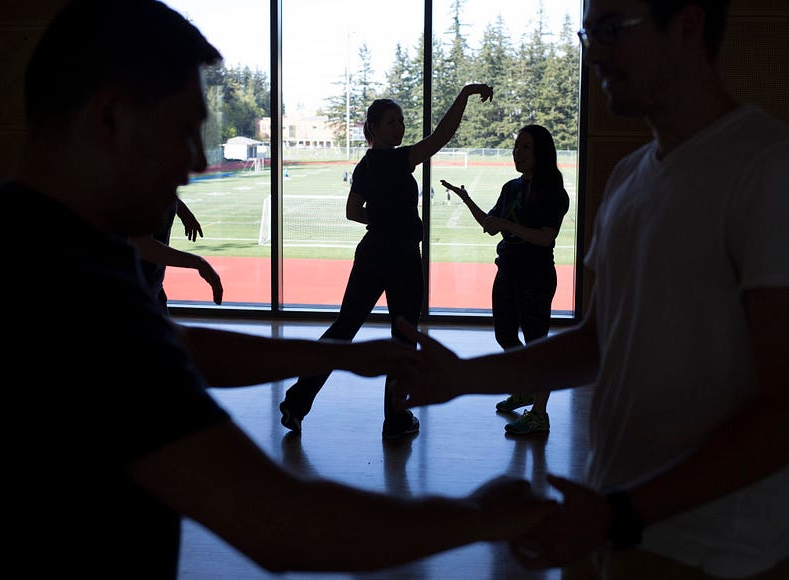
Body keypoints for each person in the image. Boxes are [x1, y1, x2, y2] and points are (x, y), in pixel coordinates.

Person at [0, 1, 557, 577]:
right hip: (396, 257)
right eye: (186, 131)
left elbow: (176, 348)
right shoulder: (67, 294)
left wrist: (342, 354)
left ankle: (305, 396)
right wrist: (482, 516)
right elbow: (281, 523)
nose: (194, 162)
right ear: (109, 118)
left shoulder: (45, 251)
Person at [394, 0, 789, 577]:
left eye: (610, 29)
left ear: (687, 23)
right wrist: (464, 378)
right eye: (589, 31)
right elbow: (595, 342)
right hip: (612, 533)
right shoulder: (630, 177)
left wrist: (618, 513)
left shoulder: (766, 169)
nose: (593, 49)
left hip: (719, 554)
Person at [279, 83, 494, 439]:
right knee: (404, 338)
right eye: (392, 122)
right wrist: (465, 94)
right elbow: (442, 135)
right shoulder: (398, 159)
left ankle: (296, 403)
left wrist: (381, 219)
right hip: (403, 257)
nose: (400, 128)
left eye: (401, 121)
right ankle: (395, 421)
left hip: (372, 252)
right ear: (374, 127)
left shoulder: (364, 166)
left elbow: (352, 212)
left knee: (343, 328)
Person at [440, 123, 569, 436]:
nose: (517, 152)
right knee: (505, 335)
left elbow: (545, 239)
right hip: (507, 271)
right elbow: (490, 225)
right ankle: (525, 387)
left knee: (537, 345)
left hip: (536, 275)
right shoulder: (511, 188)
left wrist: (507, 226)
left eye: (525, 147)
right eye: (516, 146)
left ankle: (539, 413)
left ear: (541, 153)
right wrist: (465, 199)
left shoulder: (553, 193)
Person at [130, 198, 224, 311]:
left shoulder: (153, 186)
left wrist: (181, 208)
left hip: (151, 285)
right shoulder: (138, 190)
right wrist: (199, 263)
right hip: (131, 292)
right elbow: (141, 246)